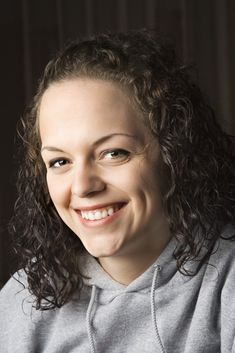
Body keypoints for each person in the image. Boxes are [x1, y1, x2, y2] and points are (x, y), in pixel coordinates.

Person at [0, 29, 235, 353]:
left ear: (174, 153)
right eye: (59, 161)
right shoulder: (21, 299)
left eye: (114, 153)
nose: (82, 186)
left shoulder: (226, 281)